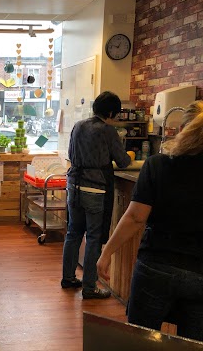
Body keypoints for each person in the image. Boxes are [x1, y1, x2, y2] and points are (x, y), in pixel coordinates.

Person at [97, 101, 203, 340]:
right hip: (200, 274)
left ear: (181, 130)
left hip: (156, 267)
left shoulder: (158, 165)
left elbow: (135, 218)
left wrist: (106, 254)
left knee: (141, 339)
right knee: (193, 344)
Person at [62, 91, 131, 299]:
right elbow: (123, 162)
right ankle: (90, 287)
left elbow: (71, 154)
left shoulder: (78, 126)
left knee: (73, 233)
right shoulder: (107, 130)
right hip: (95, 189)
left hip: (73, 186)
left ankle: (68, 278)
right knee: (93, 237)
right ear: (110, 112)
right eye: (116, 114)